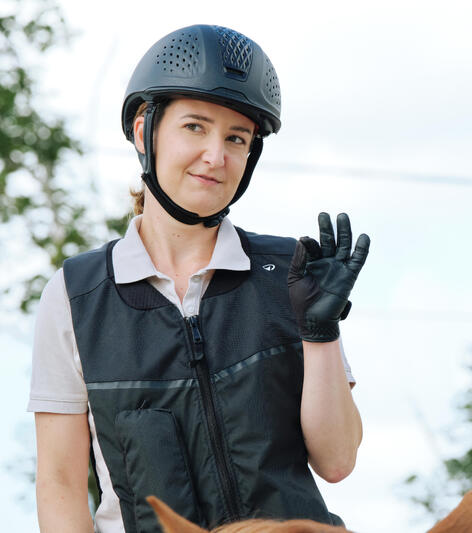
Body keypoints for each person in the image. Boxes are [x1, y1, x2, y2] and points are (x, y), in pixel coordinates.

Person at [27, 24, 370, 533]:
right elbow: (60, 481)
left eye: (237, 138)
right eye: (195, 127)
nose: (216, 156)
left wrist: (320, 335)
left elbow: (338, 462)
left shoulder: (291, 275)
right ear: (145, 132)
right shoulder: (77, 295)